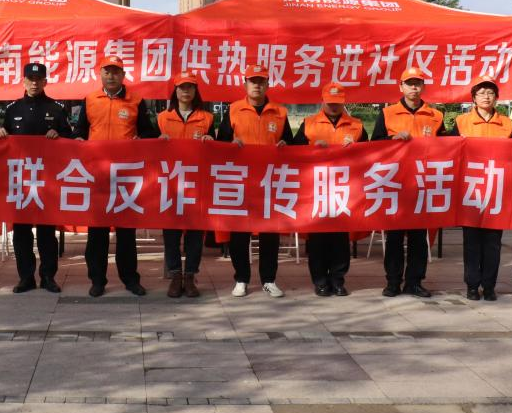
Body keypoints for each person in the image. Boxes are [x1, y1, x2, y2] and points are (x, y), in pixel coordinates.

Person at [74, 55, 158, 298]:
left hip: (125, 175)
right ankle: (97, 280)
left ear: (123, 75)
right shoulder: (90, 100)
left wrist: (140, 140)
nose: (111, 76)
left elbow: (149, 133)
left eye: (116, 72)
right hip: (97, 174)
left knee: (126, 232)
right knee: (97, 232)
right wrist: (77, 139)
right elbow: (80, 131)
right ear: (100, 74)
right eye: (107, 71)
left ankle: (130, 279)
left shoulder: (136, 100)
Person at [370, 66, 449, 298]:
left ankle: (414, 282)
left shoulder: (435, 116)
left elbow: (446, 148)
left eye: (417, 83)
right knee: (394, 236)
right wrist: (392, 139)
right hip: (395, 183)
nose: (414, 87)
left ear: (423, 86)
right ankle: (393, 282)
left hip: (423, 183)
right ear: (401, 87)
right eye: (409, 83)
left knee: (418, 237)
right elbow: (374, 145)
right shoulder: (387, 113)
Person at [217, 64, 294, 299]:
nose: (257, 85)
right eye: (253, 81)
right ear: (245, 84)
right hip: (240, 181)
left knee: (270, 233)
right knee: (240, 232)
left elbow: (290, 144)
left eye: (261, 81)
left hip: (269, 181)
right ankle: (241, 279)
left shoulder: (280, 112)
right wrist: (230, 145)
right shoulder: (233, 110)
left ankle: (269, 280)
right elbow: (220, 144)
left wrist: (285, 145)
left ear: (268, 85)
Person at [0, 62, 73, 293]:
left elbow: (70, 140)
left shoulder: (56, 108)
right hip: (20, 179)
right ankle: (26, 277)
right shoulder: (13, 109)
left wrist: (58, 134)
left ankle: (48, 277)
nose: (34, 83)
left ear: (45, 82)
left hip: (47, 180)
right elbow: (4, 139)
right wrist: (0, 133)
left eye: (38, 79)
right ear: (23, 81)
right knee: (21, 231)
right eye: (30, 79)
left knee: (46, 232)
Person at [292, 82, 366, 297]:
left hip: (345, 189)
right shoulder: (309, 124)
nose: (334, 106)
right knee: (318, 238)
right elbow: (293, 153)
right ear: (322, 100)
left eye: (338, 102)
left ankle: (338, 279)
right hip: (316, 188)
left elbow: (370, 155)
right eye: (330, 102)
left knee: (340, 237)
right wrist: (312, 150)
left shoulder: (356, 125)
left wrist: (356, 149)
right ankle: (320, 280)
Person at [454, 77, 512, 302]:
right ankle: (472, 285)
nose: (486, 97)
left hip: (496, 189)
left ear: (497, 98)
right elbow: (448, 152)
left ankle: (489, 286)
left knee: (493, 243)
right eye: (481, 93)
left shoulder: (506, 124)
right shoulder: (461, 122)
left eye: (490, 93)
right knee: (471, 241)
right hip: (470, 189)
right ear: (473, 98)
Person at [155, 74, 215, 298]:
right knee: (170, 231)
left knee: (195, 232)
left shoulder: (207, 118)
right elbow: (150, 150)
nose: (186, 91)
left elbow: (217, 150)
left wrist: (211, 141)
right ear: (175, 91)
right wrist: (158, 142)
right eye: (182, 87)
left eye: (190, 87)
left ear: (195, 91)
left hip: (197, 184)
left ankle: (190, 276)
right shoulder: (162, 118)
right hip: (170, 183)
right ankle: (175, 276)